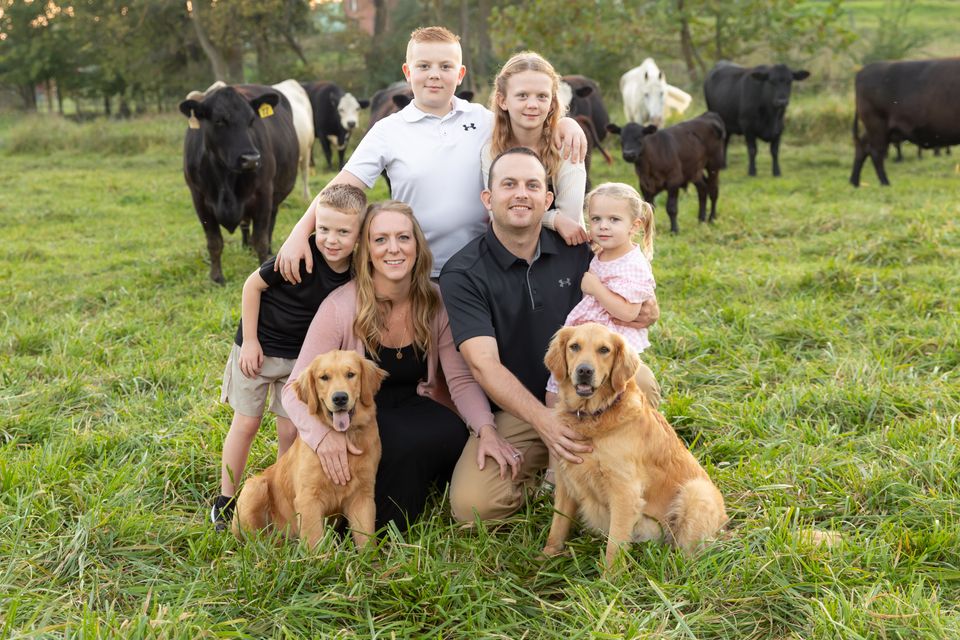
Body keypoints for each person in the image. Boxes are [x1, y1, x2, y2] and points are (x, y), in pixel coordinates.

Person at [439, 147, 661, 523]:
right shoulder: (463, 272)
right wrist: (545, 421)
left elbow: (629, 280)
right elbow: (483, 366)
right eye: (509, 184)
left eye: (532, 185)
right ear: (488, 199)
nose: (521, 193)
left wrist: (647, 308)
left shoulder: (578, 252)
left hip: (588, 393)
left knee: (636, 378)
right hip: (520, 405)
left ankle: (630, 471)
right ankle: (557, 467)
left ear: (548, 199)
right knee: (475, 507)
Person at [274, 26, 587, 281]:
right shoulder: (388, 131)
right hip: (415, 269)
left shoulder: (482, 119)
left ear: (460, 73)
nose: (434, 75)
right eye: (424, 66)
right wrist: (299, 233)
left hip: (482, 266)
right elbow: (342, 187)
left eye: (445, 66)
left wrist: (565, 123)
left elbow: (527, 123)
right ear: (408, 72)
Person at [281, 201, 521, 531]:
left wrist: (486, 429)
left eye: (403, 238)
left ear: (417, 246)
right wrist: (322, 437)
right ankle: (372, 528)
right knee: (392, 441)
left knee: (450, 432)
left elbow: (461, 380)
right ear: (365, 250)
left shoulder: (435, 302)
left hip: (417, 405)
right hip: (360, 414)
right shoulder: (340, 307)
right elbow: (292, 390)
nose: (393, 249)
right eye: (380, 240)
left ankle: (422, 492)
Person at [210, 184, 367, 531]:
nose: (331, 239)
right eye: (323, 229)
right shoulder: (299, 254)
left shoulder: (357, 271)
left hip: (300, 359)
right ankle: (225, 498)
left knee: (291, 430)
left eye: (343, 232)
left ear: (359, 235)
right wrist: (249, 340)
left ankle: (287, 492)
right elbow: (252, 286)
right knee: (247, 423)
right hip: (260, 348)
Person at [542, 182, 658, 486]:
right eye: (596, 220)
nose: (603, 227)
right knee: (554, 395)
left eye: (614, 220)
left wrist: (595, 288)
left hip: (611, 343)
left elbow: (631, 312)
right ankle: (556, 468)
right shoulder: (600, 251)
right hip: (585, 341)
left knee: (614, 400)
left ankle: (621, 456)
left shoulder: (633, 263)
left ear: (634, 225)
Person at [482, 51, 589, 246]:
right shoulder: (492, 149)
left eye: (542, 96)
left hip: (563, 248)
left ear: (551, 103)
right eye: (522, 95)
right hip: (510, 247)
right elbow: (497, 214)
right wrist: (554, 219)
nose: (532, 104)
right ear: (503, 100)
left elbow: (570, 218)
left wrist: (567, 122)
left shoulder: (565, 143)